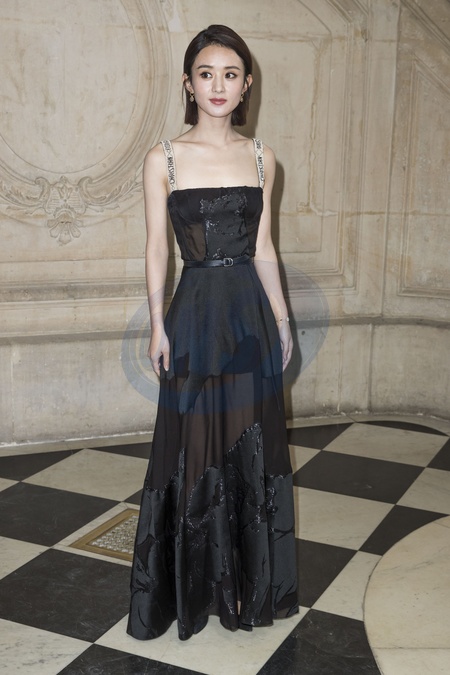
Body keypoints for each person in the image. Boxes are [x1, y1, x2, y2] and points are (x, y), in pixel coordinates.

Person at [127, 24, 298, 642]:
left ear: (246, 84)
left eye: (230, 74)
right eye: (206, 74)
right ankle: (192, 590)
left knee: (250, 445)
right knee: (193, 448)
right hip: (195, 315)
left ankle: (250, 587)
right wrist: (157, 325)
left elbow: (264, 247)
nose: (218, 85)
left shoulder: (263, 158)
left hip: (250, 315)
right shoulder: (164, 159)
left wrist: (282, 319)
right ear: (188, 84)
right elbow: (156, 249)